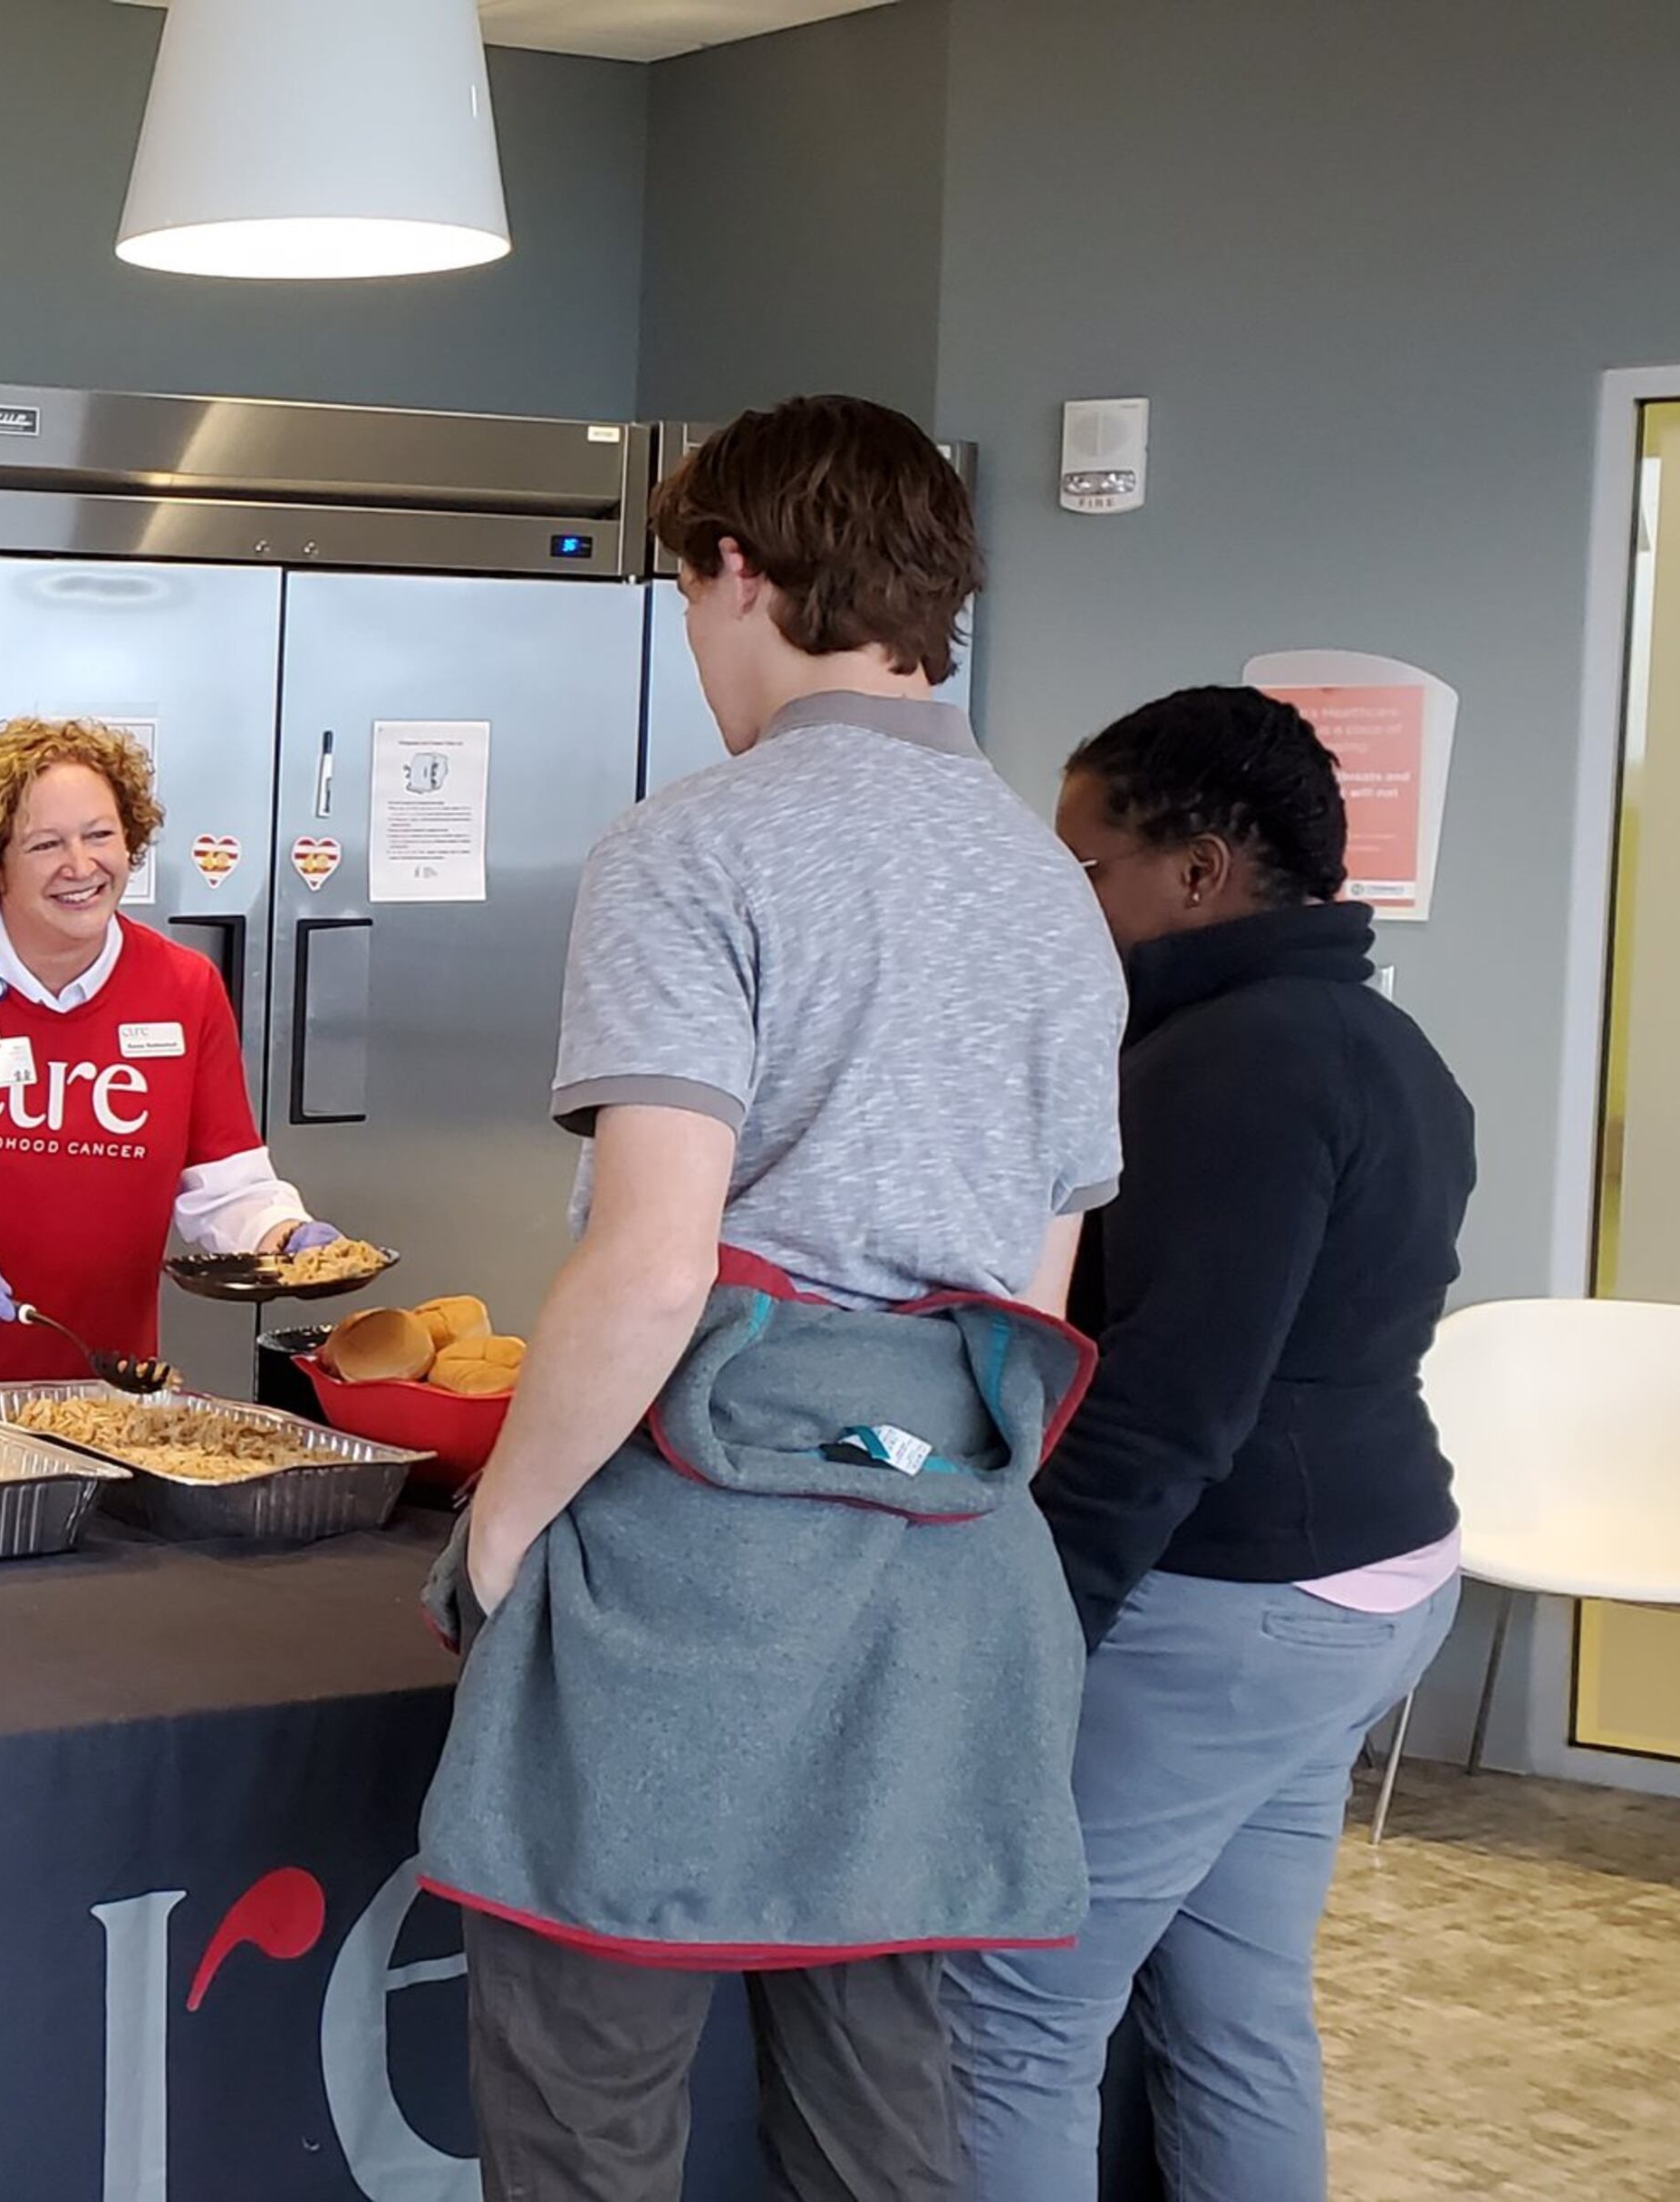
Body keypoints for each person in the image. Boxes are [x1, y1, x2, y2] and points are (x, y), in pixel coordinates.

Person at [416, 395, 1127, 2202]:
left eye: (683, 594)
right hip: (945, 1576)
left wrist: (500, 1539)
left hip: (695, 1579)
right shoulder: (1053, 893)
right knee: (883, 2119)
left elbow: (654, 1264)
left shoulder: (697, 844)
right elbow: (1033, 1297)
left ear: (739, 571)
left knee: (588, 2110)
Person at [947, 688, 1476, 2202]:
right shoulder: (1386, 1044)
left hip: (1229, 1603)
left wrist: (1029, 1628)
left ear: (1196, 874)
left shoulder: (1228, 1066)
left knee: (1013, 2004)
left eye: (1086, 866)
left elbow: (1172, 1401)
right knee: (1235, 2007)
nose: (1069, 903)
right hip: (1373, 1581)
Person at [0, 715, 343, 1396]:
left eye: (101, 835)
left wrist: (285, 1235)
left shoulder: (184, 989)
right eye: (46, 844)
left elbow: (227, 1187)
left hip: (97, 1398)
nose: (81, 866)